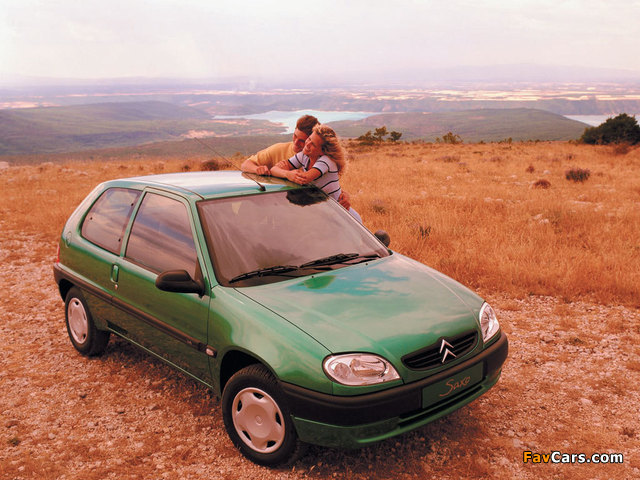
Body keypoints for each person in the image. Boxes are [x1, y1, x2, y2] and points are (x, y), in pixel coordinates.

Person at [241, 115, 351, 210]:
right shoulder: (281, 150)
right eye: (295, 136)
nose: (296, 142)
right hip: (280, 206)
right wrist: (259, 169)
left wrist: (343, 195)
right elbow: (245, 164)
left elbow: (324, 185)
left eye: (302, 140)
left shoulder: (322, 160)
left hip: (308, 208)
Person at [270, 124, 362, 222]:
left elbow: (304, 179)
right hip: (325, 213)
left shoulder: (327, 161)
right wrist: (287, 174)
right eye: (309, 139)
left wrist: (287, 172)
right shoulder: (304, 156)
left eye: (313, 144)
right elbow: (273, 170)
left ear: (322, 151)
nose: (307, 144)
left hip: (343, 216)